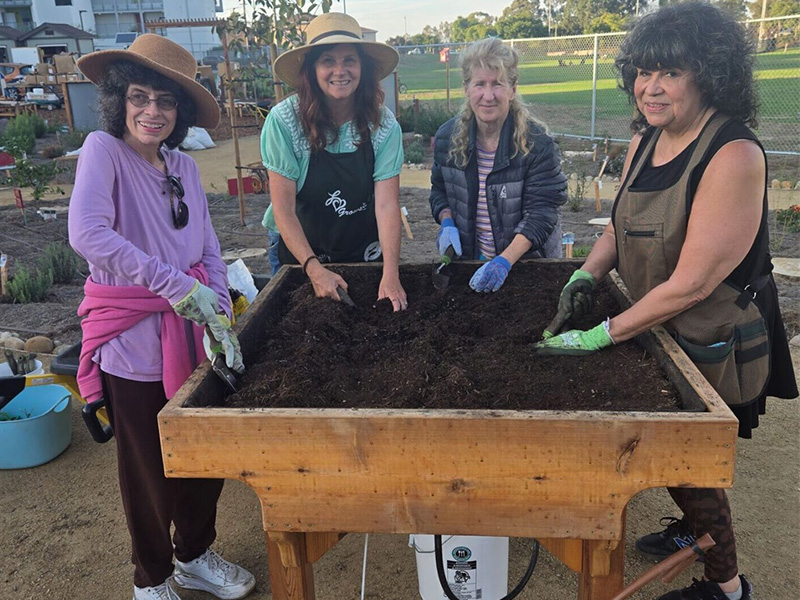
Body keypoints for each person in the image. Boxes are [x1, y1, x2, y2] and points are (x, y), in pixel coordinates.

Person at [533, 4, 798, 600]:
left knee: (690, 457)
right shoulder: (643, 139)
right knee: (670, 447)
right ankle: (688, 532)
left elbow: (696, 281)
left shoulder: (732, 153)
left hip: (711, 327)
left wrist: (604, 332)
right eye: (643, 72)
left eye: (670, 73)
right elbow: (616, 228)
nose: (649, 88)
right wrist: (584, 274)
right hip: (656, 317)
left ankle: (727, 586)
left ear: (708, 74)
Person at [70, 35, 255, 600]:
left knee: (202, 456)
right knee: (148, 469)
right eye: (139, 96)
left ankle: (194, 555)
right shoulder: (104, 152)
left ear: (179, 113)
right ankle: (151, 578)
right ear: (118, 100)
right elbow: (88, 234)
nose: (152, 111)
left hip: (192, 337)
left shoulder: (183, 167)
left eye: (166, 102)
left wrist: (219, 310)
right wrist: (176, 287)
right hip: (133, 342)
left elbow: (207, 246)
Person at [261, 12, 407, 311]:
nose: (340, 71)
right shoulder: (284, 121)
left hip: (359, 241)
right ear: (312, 69)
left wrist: (391, 274)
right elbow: (283, 210)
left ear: (362, 68)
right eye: (328, 60)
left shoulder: (383, 125)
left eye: (349, 60)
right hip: (301, 248)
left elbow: (387, 205)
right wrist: (314, 269)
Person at [429, 38, 567, 293]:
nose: (488, 96)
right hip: (470, 264)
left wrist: (504, 260)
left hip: (526, 268)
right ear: (466, 88)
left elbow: (542, 213)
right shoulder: (447, 139)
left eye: (497, 84)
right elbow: (439, 192)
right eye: (479, 84)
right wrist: (446, 221)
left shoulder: (537, 144)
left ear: (512, 88)